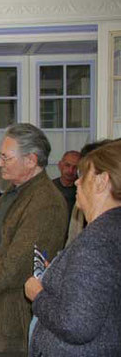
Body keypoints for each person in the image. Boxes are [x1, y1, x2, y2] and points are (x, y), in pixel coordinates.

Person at [0, 123, 68, 357]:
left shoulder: (46, 202)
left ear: (30, 160)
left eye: (6, 158)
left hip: (8, 323)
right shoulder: (12, 192)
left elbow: (16, 267)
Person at [25, 140, 121, 356]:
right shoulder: (112, 228)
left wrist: (37, 294)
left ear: (102, 181)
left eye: (84, 176)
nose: (77, 183)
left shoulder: (97, 240)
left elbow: (75, 325)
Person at [53, 150, 81, 217]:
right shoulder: (50, 187)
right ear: (60, 165)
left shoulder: (83, 190)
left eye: (75, 167)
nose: (70, 171)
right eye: (67, 165)